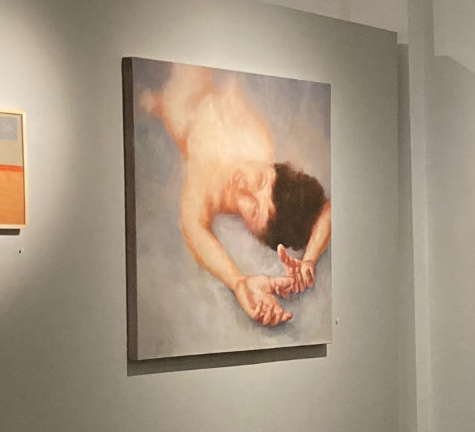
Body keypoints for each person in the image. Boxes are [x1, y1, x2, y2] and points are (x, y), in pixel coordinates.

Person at [137, 63, 330, 327]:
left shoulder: (206, 191)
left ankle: (160, 105)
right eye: (261, 180)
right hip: (202, 82)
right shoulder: (261, 143)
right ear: (271, 167)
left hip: (175, 105)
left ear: (252, 229)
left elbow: (194, 231)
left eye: (253, 210)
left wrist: (238, 282)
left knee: (166, 99)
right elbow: (327, 209)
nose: (247, 188)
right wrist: (309, 260)